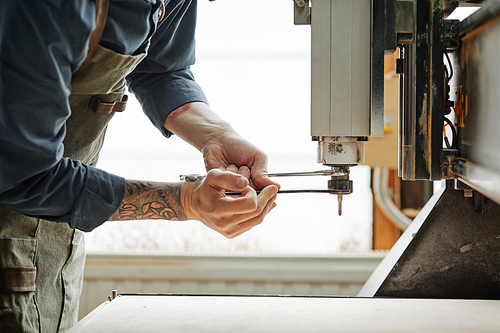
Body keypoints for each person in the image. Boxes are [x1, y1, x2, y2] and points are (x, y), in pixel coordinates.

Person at [0, 0, 279, 331]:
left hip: (58, 243)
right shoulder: (50, 7)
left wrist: (216, 135)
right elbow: (26, 174)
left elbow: (161, 68)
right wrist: (186, 202)